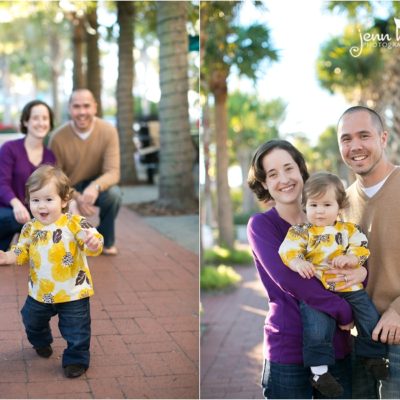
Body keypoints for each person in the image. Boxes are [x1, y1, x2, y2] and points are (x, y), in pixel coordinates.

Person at [247, 139, 367, 399]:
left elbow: (356, 263)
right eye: (272, 174)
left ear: (301, 170)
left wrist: (362, 273)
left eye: (289, 168)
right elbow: (293, 281)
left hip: (336, 348)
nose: (284, 179)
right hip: (288, 352)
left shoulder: (334, 220)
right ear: (265, 183)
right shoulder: (261, 226)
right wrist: (345, 311)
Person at [279, 171, 388, 397]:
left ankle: (373, 357)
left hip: (350, 288)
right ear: (305, 206)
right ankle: (320, 373)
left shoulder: (348, 230)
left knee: (369, 317)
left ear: (339, 207)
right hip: (320, 291)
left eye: (327, 204)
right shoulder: (301, 232)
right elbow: (287, 251)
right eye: (314, 204)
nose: (319, 211)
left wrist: (351, 258)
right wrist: (298, 262)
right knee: (317, 328)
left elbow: (361, 247)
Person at [0, 165, 103, 378]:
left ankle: (76, 359)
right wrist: (8, 256)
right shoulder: (30, 228)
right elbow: (21, 250)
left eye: (49, 199)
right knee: (31, 320)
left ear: (64, 200)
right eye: (35, 200)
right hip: (40, 291)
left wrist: (93, 243)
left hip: (72, 292)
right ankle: (41, 341)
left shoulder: (74, 223)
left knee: (77, 331)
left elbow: (93, 239)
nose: (41, 206)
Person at [336, 105, 400, 399]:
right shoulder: (341, 204)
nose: (355, 146)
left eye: (364, 135)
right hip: (359, 341)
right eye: (346, 139)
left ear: (383, 138)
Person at [49, 88, 122, 256]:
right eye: (76, 106)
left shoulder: (108, 131)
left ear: (95, 107)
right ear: (69, 109)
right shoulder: (57, 138)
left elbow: (113, 172)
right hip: (69, 187)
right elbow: (55, 178)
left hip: (96, 184)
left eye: (86, 106)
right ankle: (72, 239)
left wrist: (94, 187)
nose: (82, 112)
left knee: (115, 194)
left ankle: (104, 240)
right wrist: (75, 197)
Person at [0, 100, 56, 251]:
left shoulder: (50, 157)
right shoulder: (9, 149)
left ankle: (25, 242)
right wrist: (16, 204)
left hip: (34, 214)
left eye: (45, 118)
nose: (41, 123)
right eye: (35, 118)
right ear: (26, 121)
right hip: (7, 209)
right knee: (11, 218)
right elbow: (2, 183)